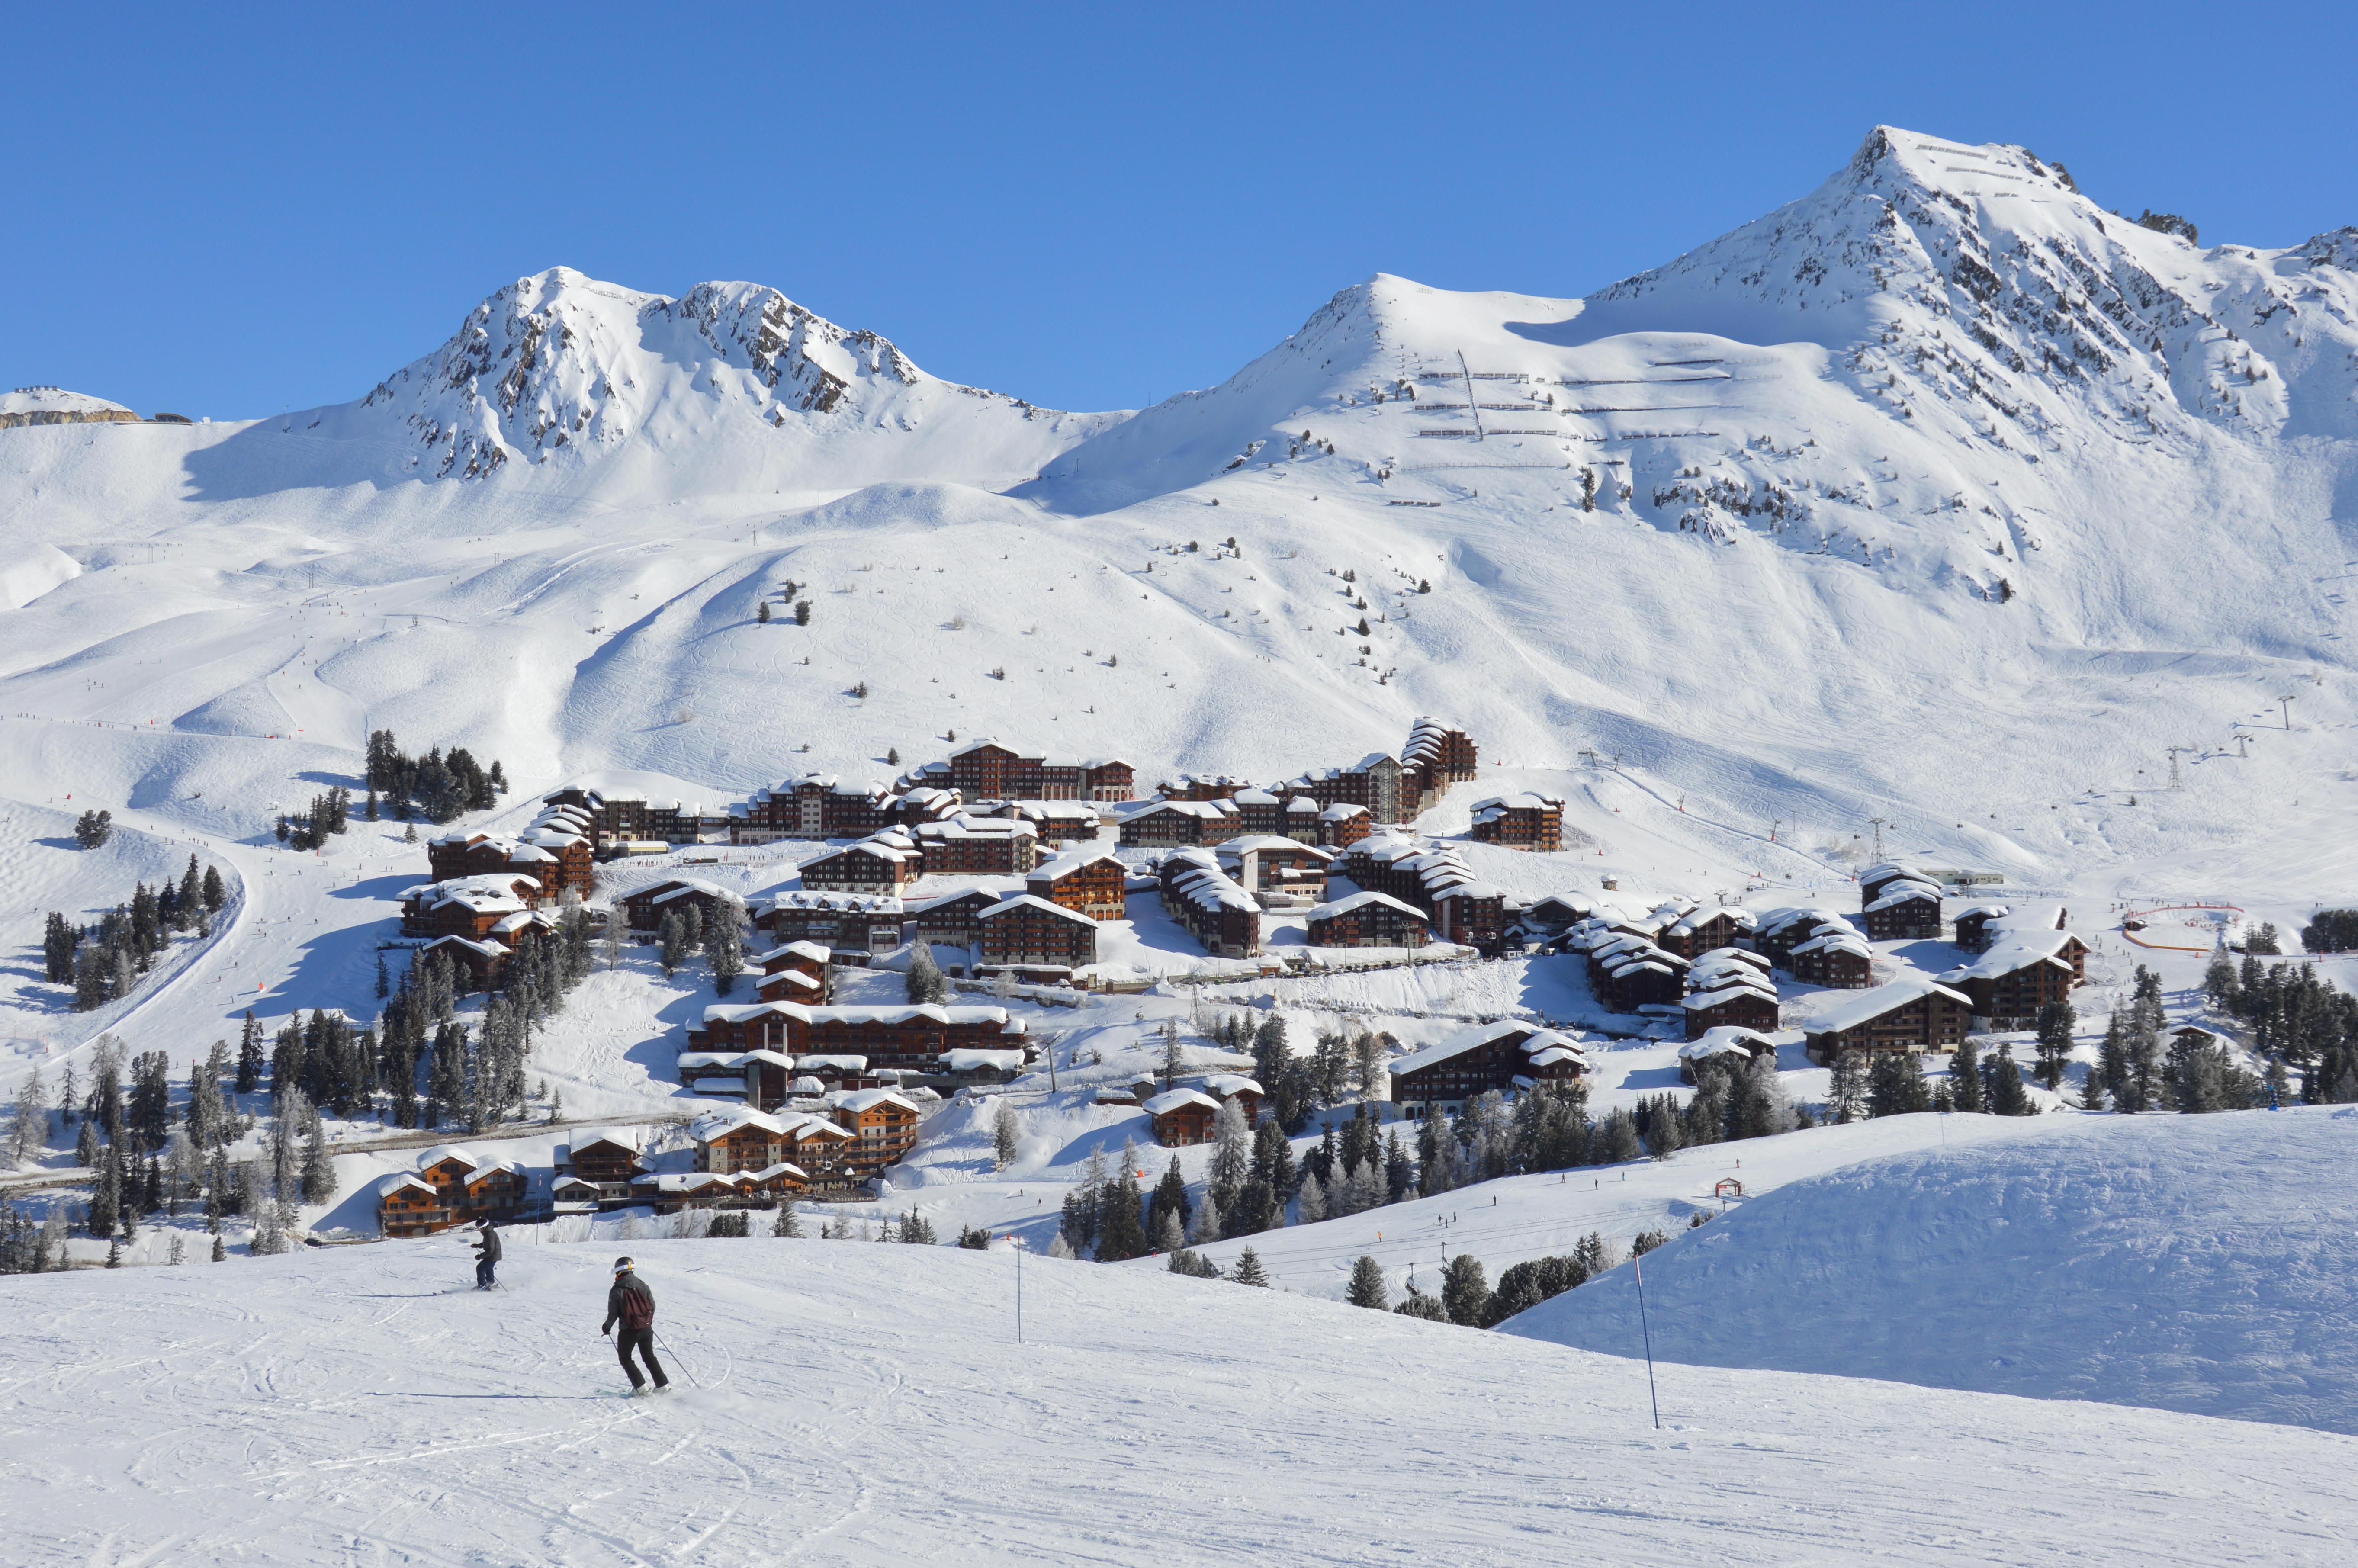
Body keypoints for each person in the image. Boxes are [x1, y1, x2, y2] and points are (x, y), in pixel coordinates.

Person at [601, 1257, 670, 1394]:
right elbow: (652, 1306)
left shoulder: (616, 1290)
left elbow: (613, 1314)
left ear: (619, 1271)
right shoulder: (643, 1285)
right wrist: (646, 1320)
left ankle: (641, 1389)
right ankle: (663, 1387)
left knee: (625, 1358)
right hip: (646, 1329)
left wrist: (607, 1327)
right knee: (649, 1357)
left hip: (628, 1332)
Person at [471, 1217, 502, 1290]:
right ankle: (491, 1283)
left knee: (480, 1268)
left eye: (479, 1228)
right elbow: (487, 1244)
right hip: (493, 1256)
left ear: (484, 1227)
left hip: (493, 1256)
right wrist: (478, 1246)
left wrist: (480, 1256)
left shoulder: (490, 1235)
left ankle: (482, 1286)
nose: (479, 1230)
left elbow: (490, 1251)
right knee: (488, 1268)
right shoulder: (488, 1233)